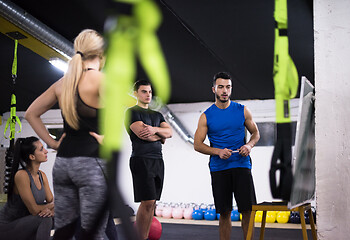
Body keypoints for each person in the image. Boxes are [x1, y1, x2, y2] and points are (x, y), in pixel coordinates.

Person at [25, 29, 109, 239]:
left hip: (63, 164)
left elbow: (31, 113)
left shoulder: (63, 83)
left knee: (64, 231)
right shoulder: (100, 79)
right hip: (91, 163)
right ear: (102, 55)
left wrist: (53, 144)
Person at [194, 72, 260, 240]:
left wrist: (249, 145)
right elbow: (197, 144)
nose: (225, 91)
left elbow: (256, 134)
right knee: (224, 213)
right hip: (219, 168)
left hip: (242, 165)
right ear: (214, 89)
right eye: (221, 87)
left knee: (247, 211)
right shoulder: (206, 116)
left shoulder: (242, 110)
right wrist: (218, 151)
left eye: (228, 87)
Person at [125, 79, 172, 240]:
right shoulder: (131, 112)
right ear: (136, 93)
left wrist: (153, 130)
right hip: (141, 159)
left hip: (158, 160)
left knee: (152, 203)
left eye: (150, 92)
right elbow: (142, 134)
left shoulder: (157, 115)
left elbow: (169, 133)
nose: (148, 94)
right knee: (147, 201)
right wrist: (160, 135)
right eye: (144, 91)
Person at [0, 136, 54, 240]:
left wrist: (53, 209)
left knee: (63, 214)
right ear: (32, 157)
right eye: (41, 149)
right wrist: (51, 205)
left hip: (25, 224)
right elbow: (34, 210)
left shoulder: (42, 175)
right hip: (7, 228)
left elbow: (51, 202)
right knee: (45, 218)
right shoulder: (22, 175)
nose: (46, 151)